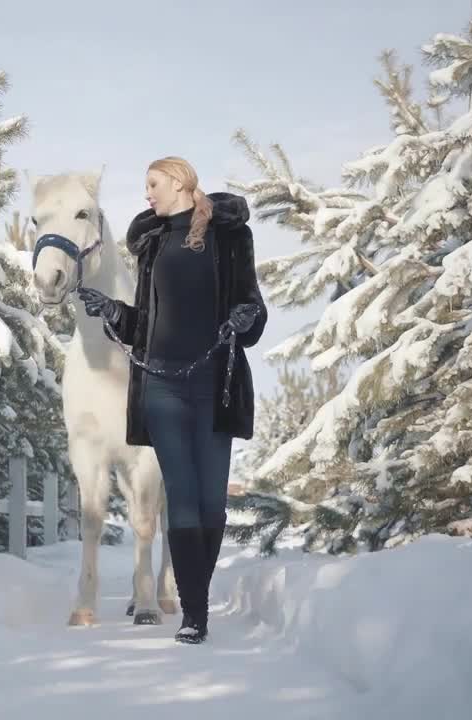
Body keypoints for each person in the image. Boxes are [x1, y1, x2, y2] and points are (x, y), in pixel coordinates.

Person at [77, 156, 267, 644]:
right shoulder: (155, 243)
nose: (147, 194)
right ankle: (195, 616)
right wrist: (114, 311)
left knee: (210, 505)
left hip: (213, 383)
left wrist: (244, 317)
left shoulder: (230, 237)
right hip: (160, 385)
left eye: (153, 184)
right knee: (181, 499)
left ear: (180, 183)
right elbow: (146, 324)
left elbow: (252, 302)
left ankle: (195, 594)